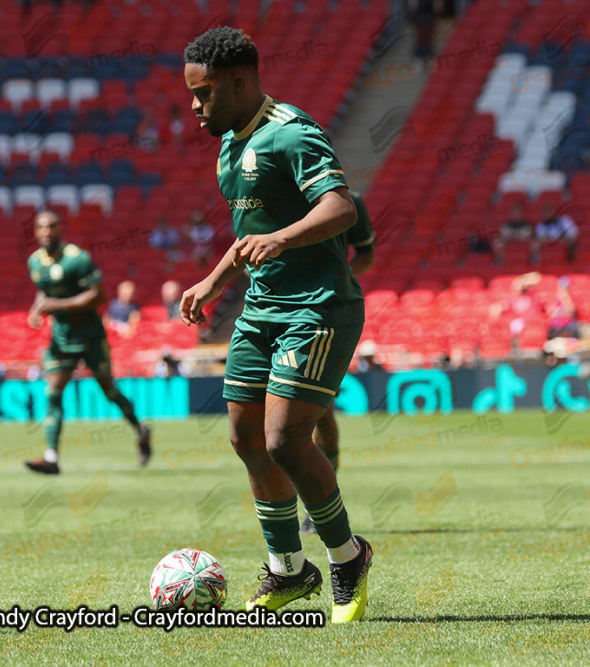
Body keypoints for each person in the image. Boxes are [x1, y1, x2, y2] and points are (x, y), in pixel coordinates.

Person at [180, 27, 372, 623]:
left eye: (204, 93)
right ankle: (290, 572)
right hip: (261, 308)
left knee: (284, 439)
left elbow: (341, 206)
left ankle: (347, 557)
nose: (194, 105)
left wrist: (283, 238)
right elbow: (250, 232)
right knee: (243, 438)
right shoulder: (229, 145)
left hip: (316, 306)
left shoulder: (292, 133)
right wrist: (214, 281)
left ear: (239, 82)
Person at [24, 210, 152, 474]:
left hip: (91, 335)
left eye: (51, 227)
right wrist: (36, 310)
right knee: (53, 392)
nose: (46, 232)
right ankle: (51, 457)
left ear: (60, 229)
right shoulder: (35, 262)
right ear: (35, 232)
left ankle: (141, 431)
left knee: (110, 392)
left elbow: (99, 295)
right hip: (62, 336)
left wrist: (56, 304)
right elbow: (43, 292)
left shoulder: (77, 259)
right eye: (41, 227)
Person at [302, 190, 375, 534]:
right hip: (275, 309)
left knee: (319, 410)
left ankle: (319, 501)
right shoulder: (270, 194)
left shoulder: (350, 201)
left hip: (324, 313)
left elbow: (367, 252)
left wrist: (341, 273)